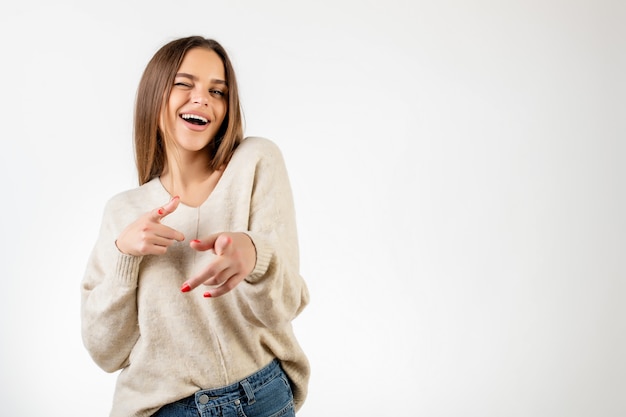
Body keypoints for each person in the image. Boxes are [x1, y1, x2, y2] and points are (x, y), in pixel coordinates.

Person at [81, 36, 310, 417]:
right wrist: (124, 257)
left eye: (217, 91)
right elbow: (106, 353)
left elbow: (282, 307)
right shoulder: (123, 212)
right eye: (184, 84)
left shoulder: (256, 162)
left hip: (260, 397)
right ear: (155, 96)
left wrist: (256, 256)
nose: (202, 98)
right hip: (162, 408)